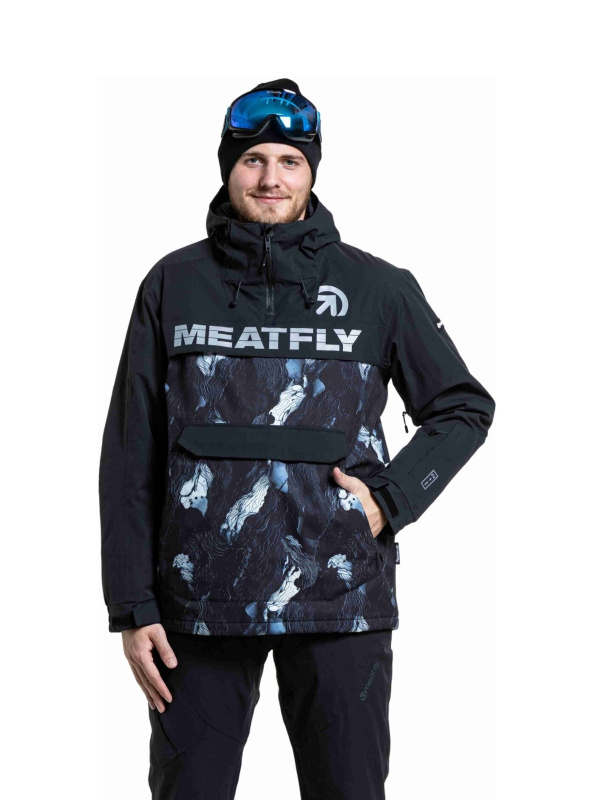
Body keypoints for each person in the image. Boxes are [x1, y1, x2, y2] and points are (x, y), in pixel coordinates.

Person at [99, 78, 496, 799]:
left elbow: (463, 407)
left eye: (290, 161)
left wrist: (390, 499)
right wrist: (132, 606)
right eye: (253, 160)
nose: (270, 178)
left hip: (340, 593)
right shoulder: (172, 283)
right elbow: (132, 453)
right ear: (228, 167)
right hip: (197, 604)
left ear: (312, 171)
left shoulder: (377, 288)